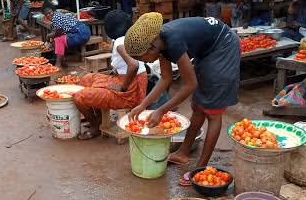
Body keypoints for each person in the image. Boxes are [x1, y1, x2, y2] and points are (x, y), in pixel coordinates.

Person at [125, 13, 241, 186]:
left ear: (152, 46)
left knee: (212, 111)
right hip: (208, 49)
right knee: (198, 105)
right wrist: (143, 105)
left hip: (223, 45)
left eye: (142, 58)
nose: (144, 62)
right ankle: (183, 152)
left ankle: (200, 168)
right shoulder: (161, 43)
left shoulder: (173, 42)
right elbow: (165, 79)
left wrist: (161, 110)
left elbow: (190, 84)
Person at [73, 10, 148, 140]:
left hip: (129, 92)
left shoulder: (120, 41)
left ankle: (95, 126)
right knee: (87, 78)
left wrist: (123, 87)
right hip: (131, 82)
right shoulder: (127, 38)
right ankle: (97, 118)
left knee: (79, 97)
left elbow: (134, 65)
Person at [42, 0, 90, 67]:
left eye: (50, 12)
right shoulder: (57, 14)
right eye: (46, 14)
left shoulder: (56, 17)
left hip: (81, 34)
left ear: (53, 10)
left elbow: (59, 32)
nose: (49, 15)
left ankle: (58, 64)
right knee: (57, 38)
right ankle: (63, 60)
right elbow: (58, 31)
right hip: (82, 31)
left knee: (58, 39)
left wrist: (48, 36)